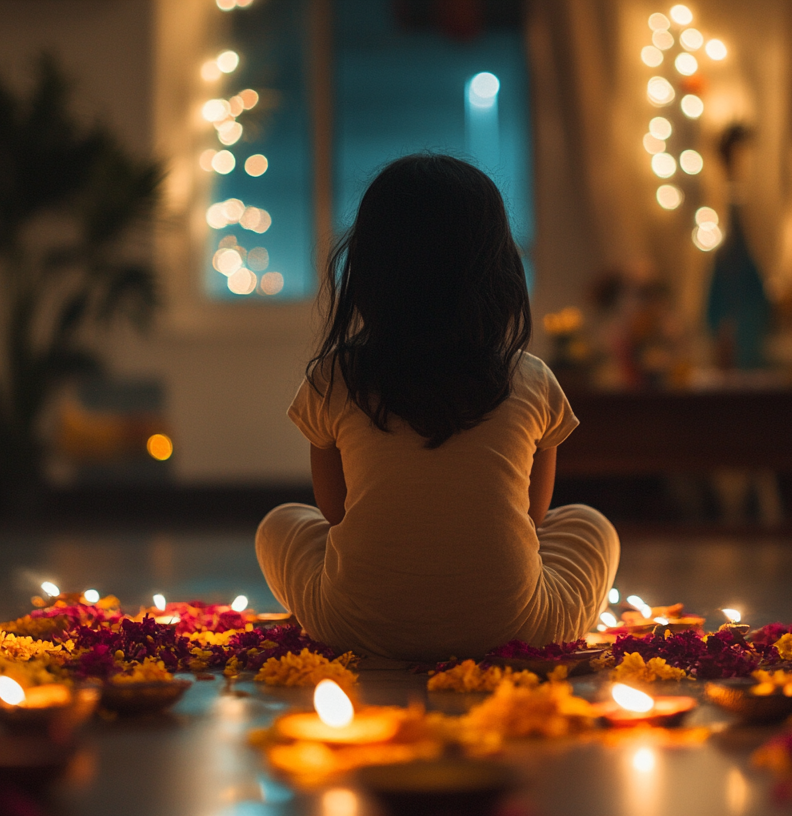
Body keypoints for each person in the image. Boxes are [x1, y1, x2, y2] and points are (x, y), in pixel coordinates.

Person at [256, 154, 620, 662]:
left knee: (281, 523)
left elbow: (334, 513)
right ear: (499, 274)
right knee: (588, 524)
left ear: (367, 272)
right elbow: (534, 517)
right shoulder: (531, 378)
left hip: (355, 625)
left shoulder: (335, 376)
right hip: (513, 628)